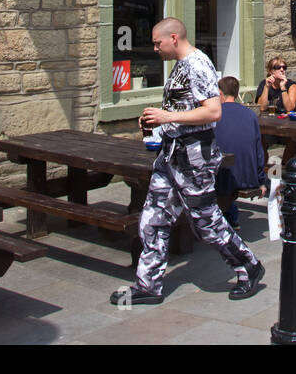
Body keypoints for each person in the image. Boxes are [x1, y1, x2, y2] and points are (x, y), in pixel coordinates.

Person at [111, 18, 264, 306]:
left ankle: (249, 266)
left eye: (157, 43)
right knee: (152, 220)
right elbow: (184, 107)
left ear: (173, 38)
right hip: (170, 155)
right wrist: (159, 120)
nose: (155, 48)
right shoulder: (180, 66)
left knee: (206, 221)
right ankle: (148, 285)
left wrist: (167, 117)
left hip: (194, 158)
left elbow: (213, 112)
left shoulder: (198, 65)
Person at [215, 76, 268, 226]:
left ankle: (228, 215)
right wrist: (261, 180)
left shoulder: (214, 114)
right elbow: (259, 151)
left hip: (224, 177)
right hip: (247, 175)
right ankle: (230, 215)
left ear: (220, 93)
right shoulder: (251, 115)